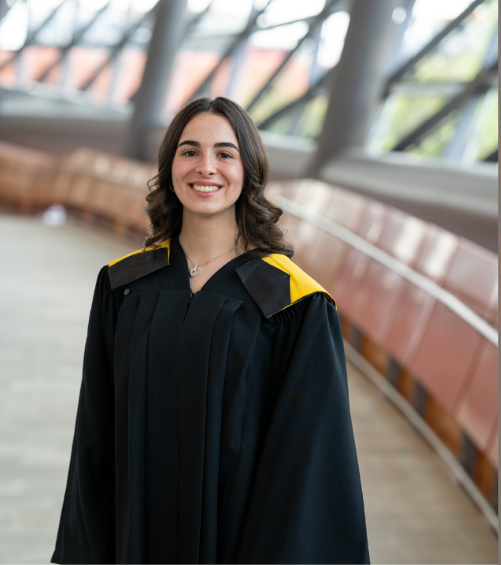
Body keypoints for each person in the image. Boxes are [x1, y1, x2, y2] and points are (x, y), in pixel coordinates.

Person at [52, 97, 369, 563]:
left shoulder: (293, 303)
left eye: (225, 153)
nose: (206, 168)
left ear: (249, 170)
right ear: (169, 166)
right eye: (189, 151)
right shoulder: (122, 287)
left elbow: (310, 468)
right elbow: (95, 437)